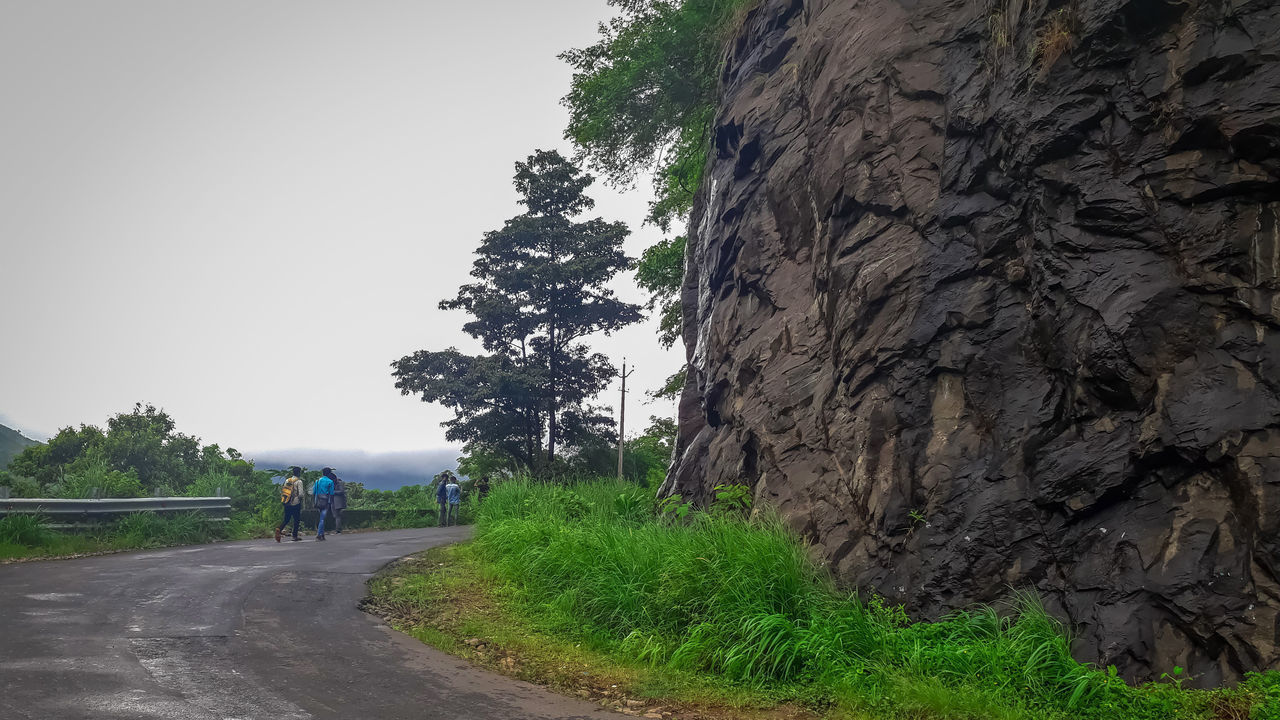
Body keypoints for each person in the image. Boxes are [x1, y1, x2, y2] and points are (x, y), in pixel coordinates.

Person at [275, 467, 304, 542]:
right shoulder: (299, 481)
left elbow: (284, 490)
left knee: (286, 519)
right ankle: (294, 536)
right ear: (299, 473)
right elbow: (300, 494)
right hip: (295, 503)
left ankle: (279, 529)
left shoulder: (288, 480)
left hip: (287, 502)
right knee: (296, 520)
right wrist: (299, 500)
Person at [313, 467, 335, 541]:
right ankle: (319, 535)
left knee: (321, 518)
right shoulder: (330, 482)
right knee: (322, 519)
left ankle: (322, 535)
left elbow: (314, 492)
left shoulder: (318, 481)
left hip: (318, 501)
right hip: (326, 501)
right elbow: (331, 493)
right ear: (329, 473)